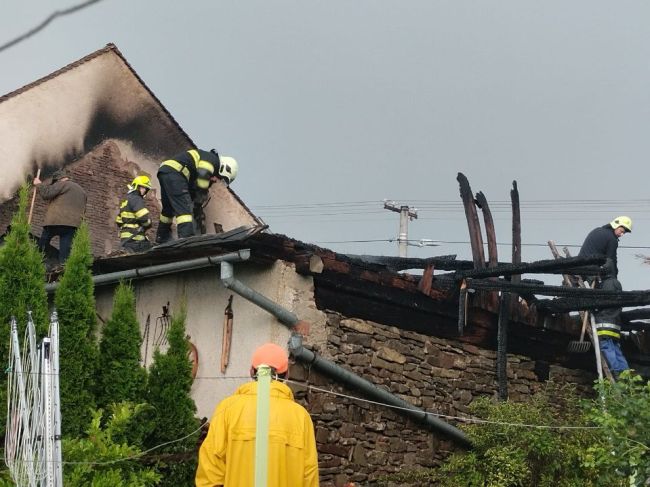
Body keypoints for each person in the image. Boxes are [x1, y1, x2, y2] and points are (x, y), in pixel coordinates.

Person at [196, 343, 319, 487]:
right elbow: (309, 474)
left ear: (251, 371)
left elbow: (210, 468)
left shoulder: (227, 409)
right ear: (287, 375)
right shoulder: (301, 417)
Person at [578, 216, 633, 377]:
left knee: (609, 344)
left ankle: (621, 374)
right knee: (612, 346)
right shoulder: (611, 239)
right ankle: (622, 375)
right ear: (616, 225)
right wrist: (614, 276)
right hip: (591, 272)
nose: (621, 234)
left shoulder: (597, 231)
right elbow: (611, 261)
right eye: (622, 231)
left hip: (582, 268)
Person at [155, 149, 238, 244]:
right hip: (176, 174)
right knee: (184, 211)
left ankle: (161, 238)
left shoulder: (203, 159)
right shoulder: (212, 160)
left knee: (168, 210)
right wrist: (199, 201)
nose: (216, 180)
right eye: (220, 178)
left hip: (165, 172)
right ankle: (186, 240)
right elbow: (203, 175)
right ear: (224, 168)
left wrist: (197, 206)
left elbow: (194, 185)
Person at [34, 168, 87, 264]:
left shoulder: (62, 184)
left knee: (42, 245)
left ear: (58, 179)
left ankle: (36, 262)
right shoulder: (82, 191)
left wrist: (38, 184)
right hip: (73, 225)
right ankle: (62, 270)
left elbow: (46, 194)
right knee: (65, 253)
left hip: (55, 222)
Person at [115, 175, 154, 253]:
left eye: (145, 189)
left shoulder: (125, 201)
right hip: (136, 240)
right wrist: (149, 223)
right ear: (136, 186)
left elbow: (118, 221)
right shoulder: (137, 199)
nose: (144, 190)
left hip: (125, 241)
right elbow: (143, 217)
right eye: (142, 187)